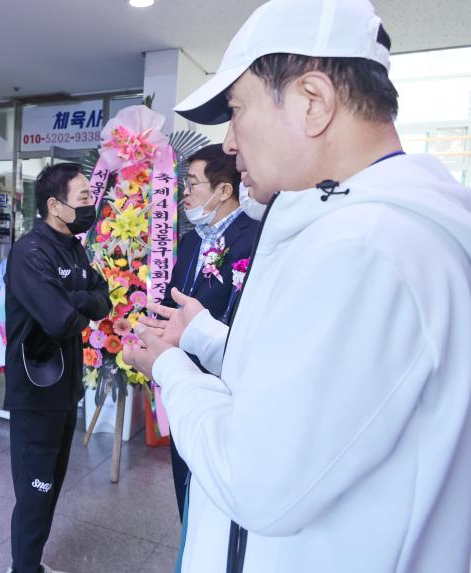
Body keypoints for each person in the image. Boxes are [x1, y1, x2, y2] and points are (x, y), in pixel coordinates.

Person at [125, 0, 471, 572]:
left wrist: (168, 367)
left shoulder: (366, 247)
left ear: (313, 102)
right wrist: (207, 339)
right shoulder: (343, 225)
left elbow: (256, 477)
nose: (230, 144)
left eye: (236, 111)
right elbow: (308, 388)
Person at [4, 163, 112, 573]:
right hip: (37, 390)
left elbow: (104, 300)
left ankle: (30, 564)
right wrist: (81, 302)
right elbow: (59, 321)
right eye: (83, 197)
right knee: (35, 491)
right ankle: (23, 569)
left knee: (51, 487)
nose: (91, 204)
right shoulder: (30, 251)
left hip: (66, 391)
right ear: (54, 205)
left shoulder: (73, 246)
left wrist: (75, 296)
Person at [162, 143, 257, 521]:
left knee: (216, 502)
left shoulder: (255, 239)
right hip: (182, 381)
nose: (185, 193)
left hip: (225, 384)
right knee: (183, 482)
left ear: (223, 190)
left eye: (192, 184)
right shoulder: (190, 240)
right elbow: (174, 300)